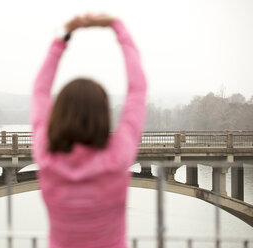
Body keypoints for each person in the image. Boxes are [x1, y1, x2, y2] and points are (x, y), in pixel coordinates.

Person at [31, 13, 147, 248]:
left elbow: (39, 93)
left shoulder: (46, 154)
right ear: (104, 114)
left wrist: (60, 42)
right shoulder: (118, 155)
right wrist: (118, 28)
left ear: (59, 113)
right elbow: (138, 91)